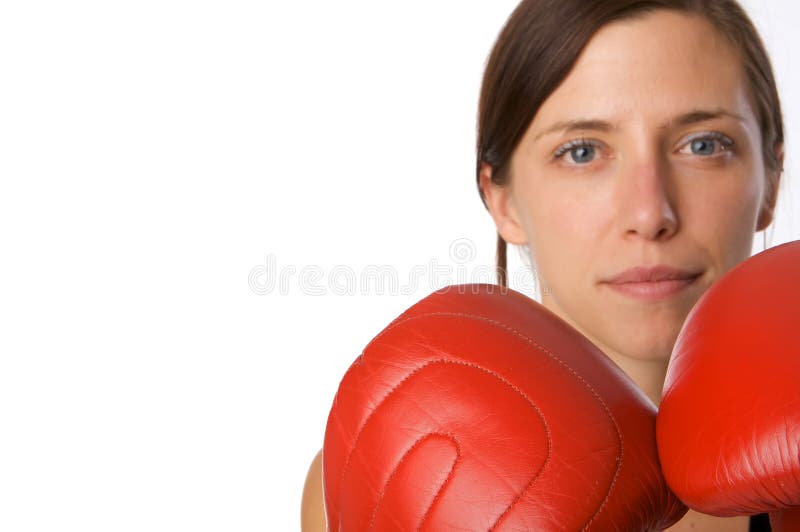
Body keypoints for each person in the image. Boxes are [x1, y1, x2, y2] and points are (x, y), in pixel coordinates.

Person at [302, 0, 785, 530]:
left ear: (771, 181)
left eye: (703, 144)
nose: (650, 214)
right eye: (581, 152)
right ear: (501, 200)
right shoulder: (389, 470)